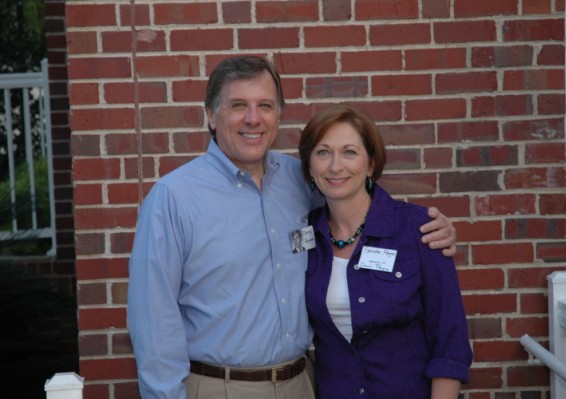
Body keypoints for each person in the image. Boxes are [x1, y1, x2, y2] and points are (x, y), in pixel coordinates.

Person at [127, 56, 458, 399]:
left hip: (301, 384)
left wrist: (431, 230)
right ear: (211, 114)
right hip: (219, 387)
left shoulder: (302, 181)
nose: (253, 118)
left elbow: (359, 209)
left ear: (278, 115)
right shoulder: (174, 197)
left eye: (265, 105)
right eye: (238, 105)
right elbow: (153, 320)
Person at [298, 104, 472, 399]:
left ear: (370, 164)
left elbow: (449, 340)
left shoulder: (420, 230)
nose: (335, 166)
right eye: (323, 152)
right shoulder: (305, 238)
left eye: (349, 152)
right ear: (310, 167)